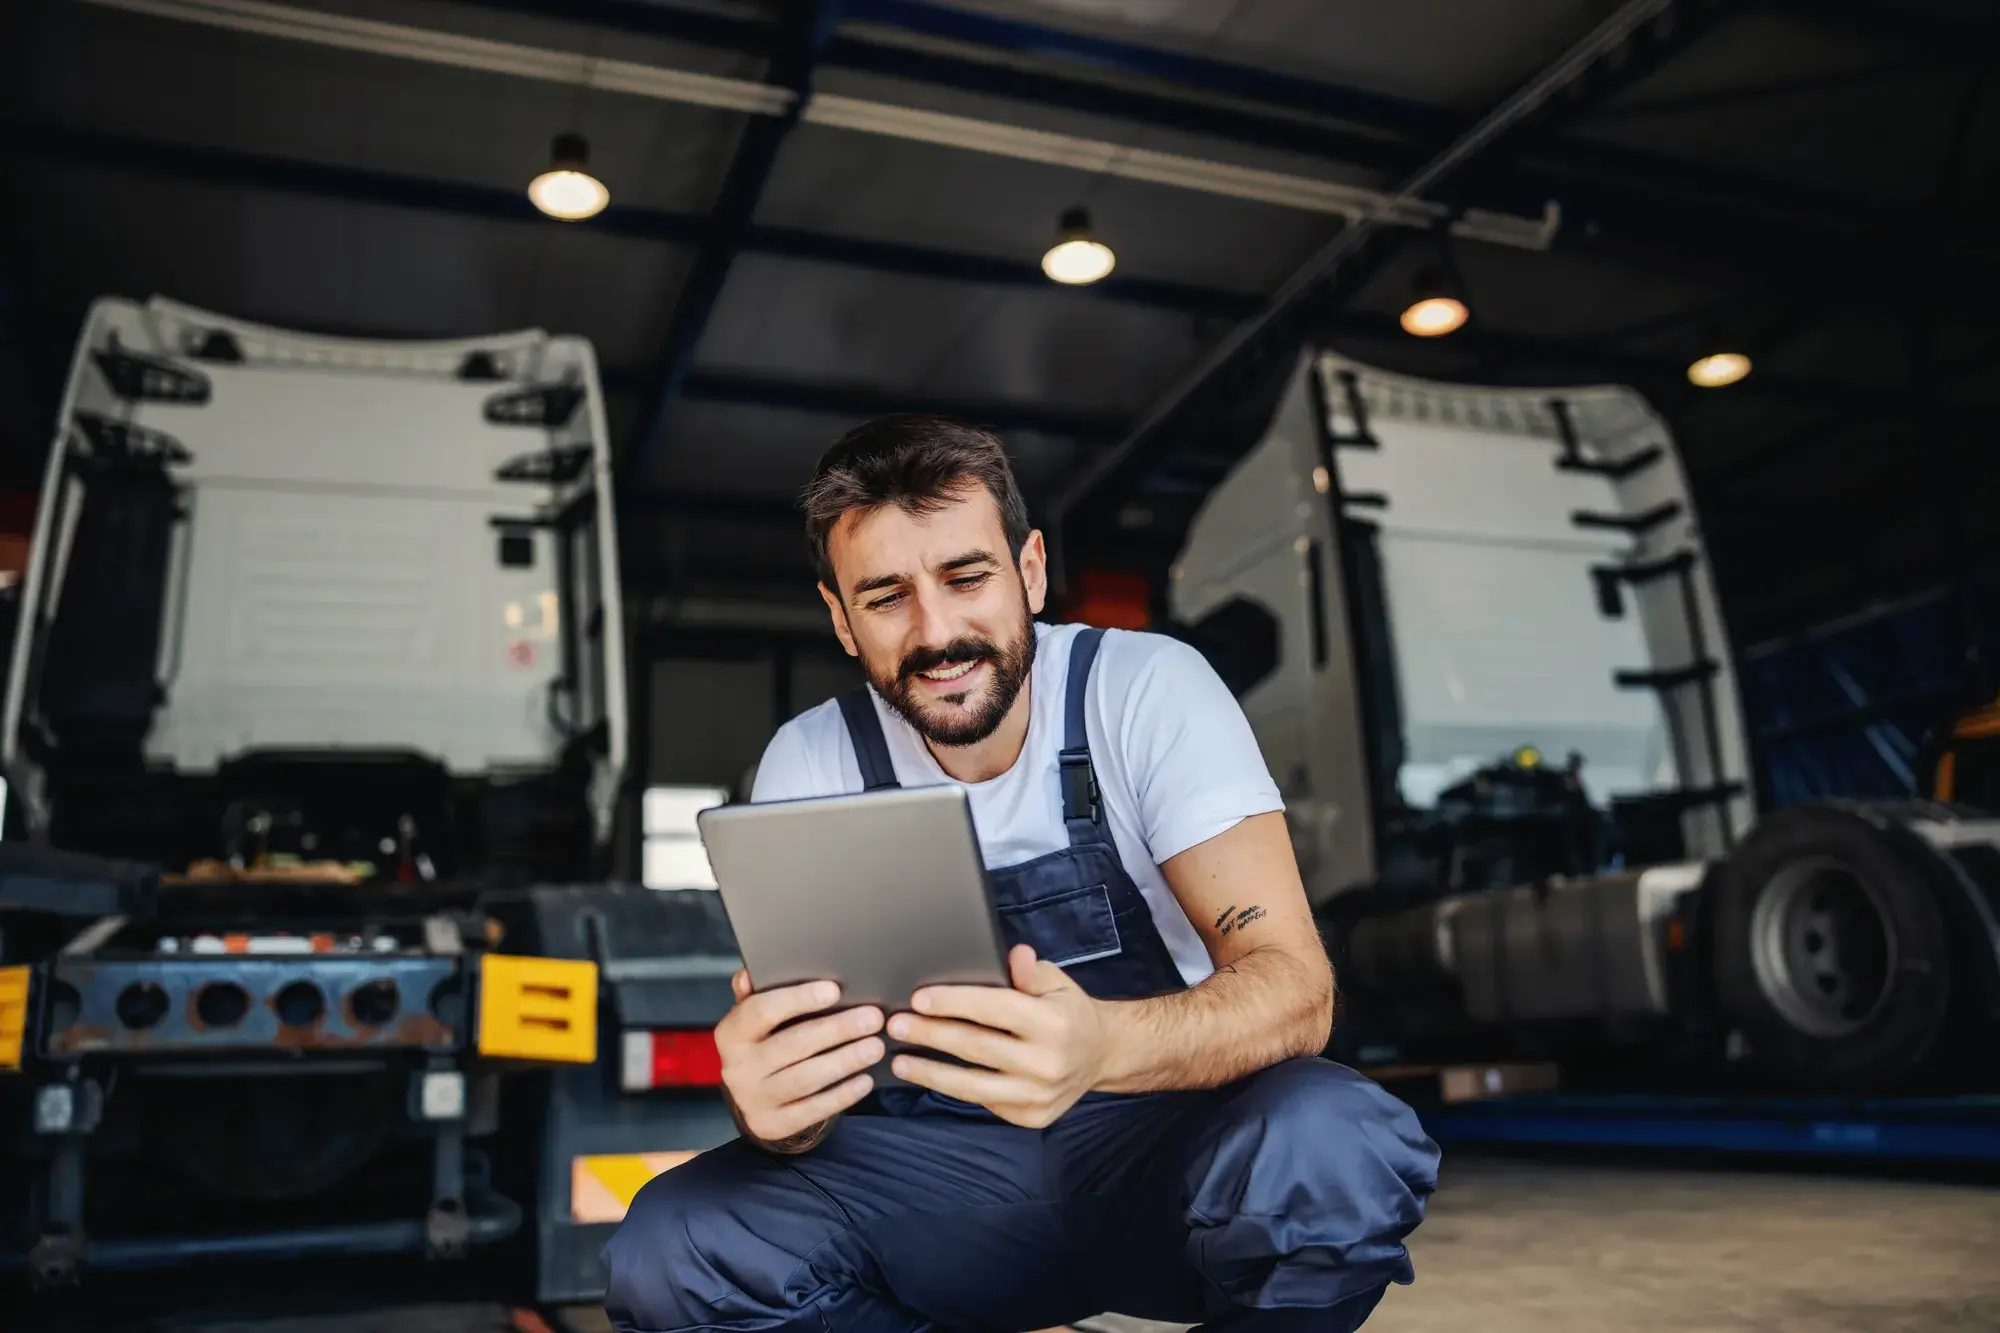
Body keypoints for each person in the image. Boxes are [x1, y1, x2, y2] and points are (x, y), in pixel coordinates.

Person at [604, 415, 1438, 1333]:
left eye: (967, 577)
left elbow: (1297, 990)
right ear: (841, 619)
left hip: (1155, 1152)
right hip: (934, 1183)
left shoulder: (1146, 690)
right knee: (675, 1250)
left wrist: (1102, 1048)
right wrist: (770, 1108)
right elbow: (802, 1088)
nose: (937, 630)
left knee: (1335, 1150)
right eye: (885, 597)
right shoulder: (810, 761)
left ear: (1030, 570)